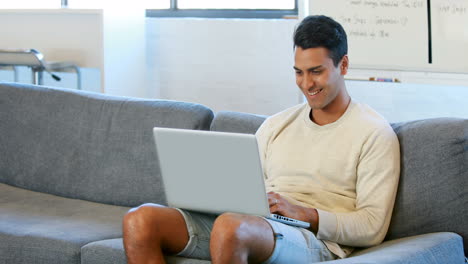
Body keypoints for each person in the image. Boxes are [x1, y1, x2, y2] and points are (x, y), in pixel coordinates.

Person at [122, 15, 400, 264]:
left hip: (313, 239)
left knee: (231, 227)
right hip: (253, 225)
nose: (306, 84)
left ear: (344, 65)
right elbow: (246, 191)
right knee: (141, 220)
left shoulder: (373, 133)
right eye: (298, 72)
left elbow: (372, 226)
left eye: (317, 71)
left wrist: (307, 214)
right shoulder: (276, 125)